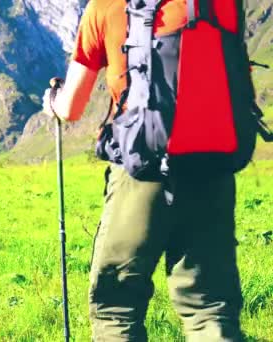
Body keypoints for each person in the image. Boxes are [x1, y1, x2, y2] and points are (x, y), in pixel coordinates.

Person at [41, 0, 244, 341]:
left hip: (142, 171)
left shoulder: (106, 6)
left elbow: (71, 108)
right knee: (210, 306)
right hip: (213, 167)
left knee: (117, 305)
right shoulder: (222, 3)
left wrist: (52, 103)